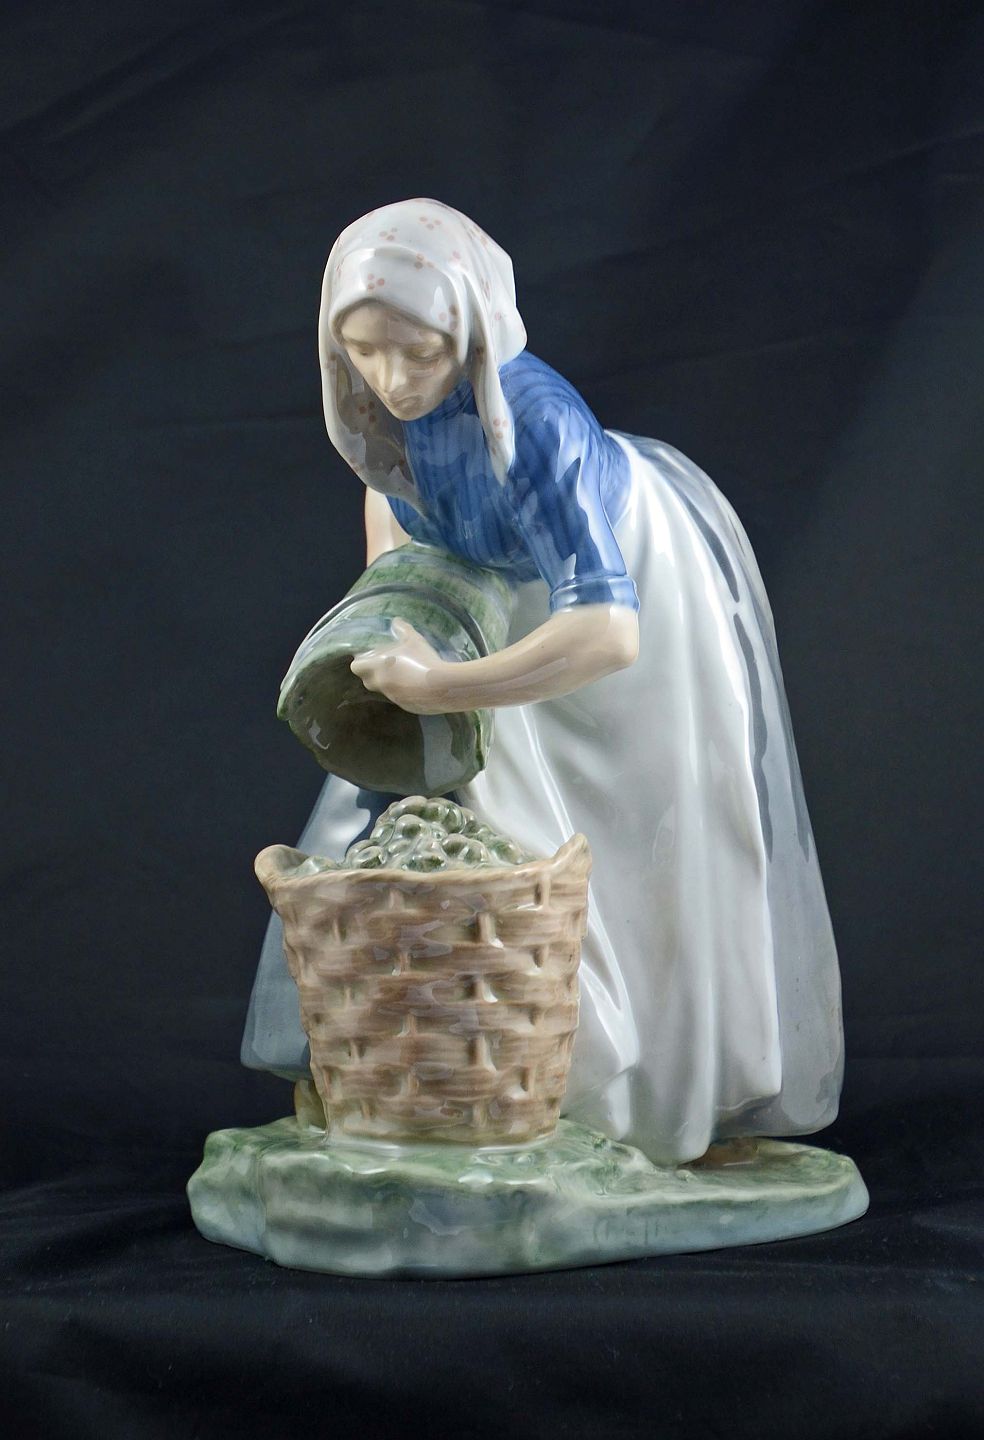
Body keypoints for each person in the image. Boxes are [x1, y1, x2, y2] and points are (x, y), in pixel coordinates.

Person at [241, 198, 844, 1167]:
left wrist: (446, 685)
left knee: (621, 839)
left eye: (420, 351)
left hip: (620, 607)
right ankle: (457, 1074)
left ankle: (620, 1088)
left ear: (472, 332)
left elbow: (608, 629)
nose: (391, 379)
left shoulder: (533, 426)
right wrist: (397, 601)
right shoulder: (382, 414)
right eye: (364, 350)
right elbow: (391, 495)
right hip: (492, 609)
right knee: (439, 801)